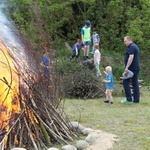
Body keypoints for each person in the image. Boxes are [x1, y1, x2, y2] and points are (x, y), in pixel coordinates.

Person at [121, 36, 140, 103]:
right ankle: (136, 100)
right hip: (135, 68)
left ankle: (129, 99)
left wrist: (127, 67)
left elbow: (131, 57)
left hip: (132, 68)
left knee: (125, 81)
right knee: (135, 83)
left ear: (129, 40)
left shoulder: (132, 47)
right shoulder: (134, 46)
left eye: (125, 41)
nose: (124, 43)